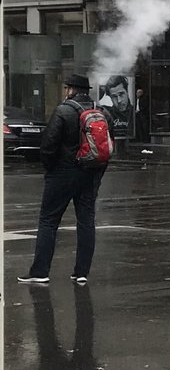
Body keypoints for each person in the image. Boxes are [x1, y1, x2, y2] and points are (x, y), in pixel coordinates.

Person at [19, 75, 110, 285]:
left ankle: (40, 271)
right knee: (86, 221)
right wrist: (97, 174)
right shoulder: (103, 113)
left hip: (62, 173)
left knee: (48, 221)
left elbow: (48, 146)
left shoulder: (63, 111)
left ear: (71, 90)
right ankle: (81, 273)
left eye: (67, 88)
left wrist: (51, 169)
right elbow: (107, 147)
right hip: (90, 173)